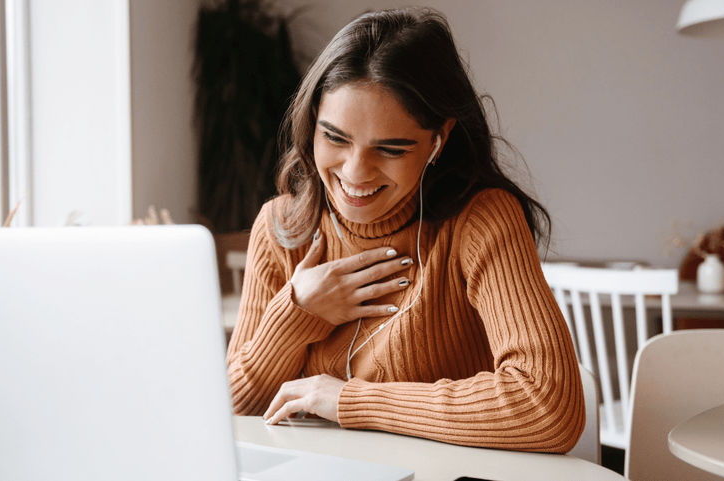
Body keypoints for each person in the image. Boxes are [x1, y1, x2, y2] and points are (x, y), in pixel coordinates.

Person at [226, 6, 584, 453]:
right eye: (335, 137)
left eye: (391, 149)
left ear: (438, 140)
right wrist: (299, 313)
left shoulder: (481, 220)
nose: (355, 173)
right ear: (311, 121)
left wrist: (349, 401)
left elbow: (547, 407)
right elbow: (230, 411)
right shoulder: (282, 225)